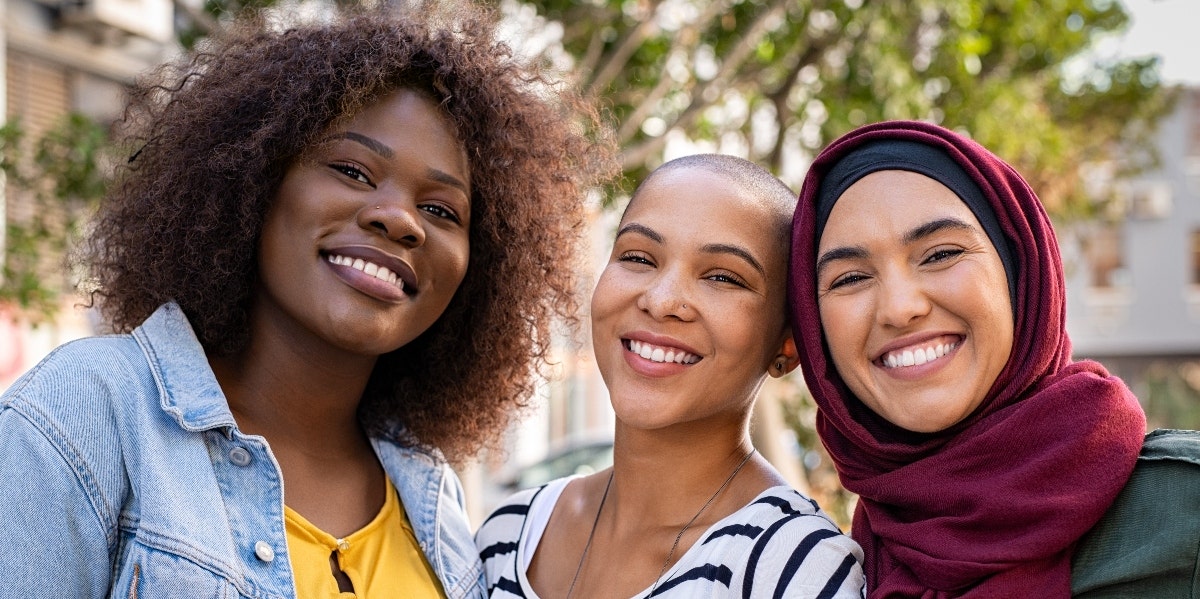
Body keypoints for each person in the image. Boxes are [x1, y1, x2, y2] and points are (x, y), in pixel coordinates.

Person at [0, 5, 615, 598]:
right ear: (255, 181)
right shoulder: (88, 412)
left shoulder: (431, 496)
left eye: (439, 210)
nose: (400, 220)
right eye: (352, 170)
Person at [786, 120, 1154, 597]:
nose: (900, 308)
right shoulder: (822, 568)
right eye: (851, 278)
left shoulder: (1179, 517)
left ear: (1020, 271)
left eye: (940, 254)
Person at [475, 154, 866, 598]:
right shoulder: (509, 534)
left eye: (722, 276)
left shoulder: (792, 567)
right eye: (639, 257)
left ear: (788, 344)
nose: (661, 300)